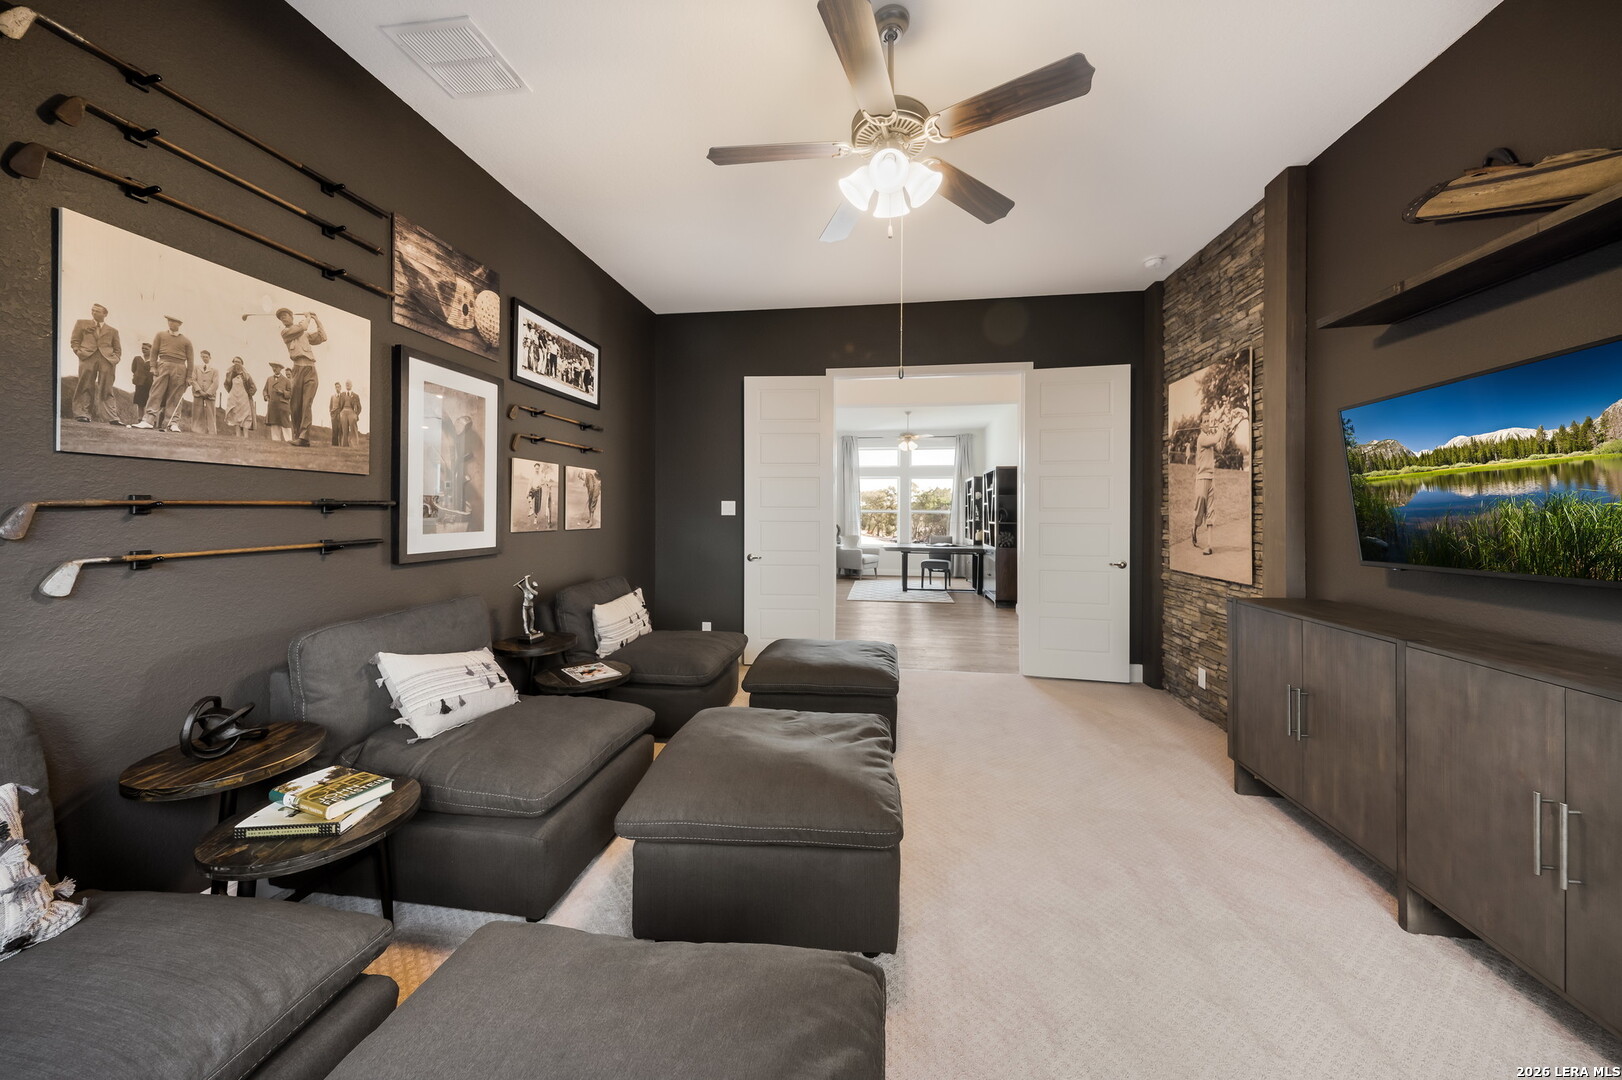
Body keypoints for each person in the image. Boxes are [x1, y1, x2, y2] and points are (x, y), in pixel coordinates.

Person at [1192, 406, 1248, 556]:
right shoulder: (1202, 438)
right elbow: (1215, 439)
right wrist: (1221, 427)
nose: (1208, 423)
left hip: (1211, 478)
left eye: (1209, 421)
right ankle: (1195, 528)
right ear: (1201, 425)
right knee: (1200, 508)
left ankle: (1209, 545)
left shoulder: (1209, 437)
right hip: (1201, 478)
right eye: (1205, 421)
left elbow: (1220, 447)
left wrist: (1224, 431)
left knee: (1211, 511)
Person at [131, 315, 193, 432]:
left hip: (180, 367)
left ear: (180, 324)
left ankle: (173, 423)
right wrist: (153, 367)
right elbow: (154, 352)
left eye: (174, 321)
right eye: (169, 321)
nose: (171, 323)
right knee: (155, 393)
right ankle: (148, 420)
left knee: (175, 396)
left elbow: (191, 360)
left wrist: (189, 376)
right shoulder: (160, 335)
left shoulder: (186, 341)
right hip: (163, 364)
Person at [275, 307, 325, 446]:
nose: (283, 318)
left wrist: (316, 319)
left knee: (306, 404)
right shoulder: (286, 332)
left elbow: (322, 337)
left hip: (310, 369)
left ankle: (304, 438)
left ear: (291, 316)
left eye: (285, 315)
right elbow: (302, 326)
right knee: (295, 405)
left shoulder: (305, 335)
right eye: (281, 317)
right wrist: (308, 317)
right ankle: (298, 436)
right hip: (297, 370)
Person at [69, 302, 121, 424]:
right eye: (92, 310)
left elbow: (117, 348)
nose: (93, 313)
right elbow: (74, 340)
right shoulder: (81, 323)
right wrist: (78, 352)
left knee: (107, 388)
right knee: (85, 385)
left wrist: (116, 358)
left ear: (105, 314)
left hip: (107, 360)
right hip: (87, 357)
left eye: (97, 311)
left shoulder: (113, 330)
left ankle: (111, 417)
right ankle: (82, 414)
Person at [223, 356, 256, 437]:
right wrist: (231, 392)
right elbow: (226, 384)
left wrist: (249, 394)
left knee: (245, 416)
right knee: (235, 416)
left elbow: (253, 387)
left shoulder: (246, 375)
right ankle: (238, 436)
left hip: (244, 399)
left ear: (242, 364)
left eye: (238, 362)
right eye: (235, 362)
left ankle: (245, 436)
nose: (236, 363)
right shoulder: (229, 374)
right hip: (234, 398)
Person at [190, 351, 220, 434]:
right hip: (198, 393)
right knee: (197, 412)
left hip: (210, 394)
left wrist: (208, 392)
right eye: (202, 357)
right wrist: (199, 390)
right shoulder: (196, 368)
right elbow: (193, 379)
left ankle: (212, 432)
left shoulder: (215, 369)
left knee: (211, 412)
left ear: (210, 358)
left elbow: (216, 383)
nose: (204, 358)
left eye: (206, 357)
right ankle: (196, 430)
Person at [263, 361, 293, 442]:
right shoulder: (269, 379)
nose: (274, 369)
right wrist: (266, 396)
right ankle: (276, 442)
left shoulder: (286, 380)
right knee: (274, 423)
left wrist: (283, 392)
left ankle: (289, 441)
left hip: (283, 406)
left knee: (285, 424)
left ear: (280, 368)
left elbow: (290, 394)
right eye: (273, 367)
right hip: (272, 405)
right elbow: (265, 390)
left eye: (276, 367)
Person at [130, 342, 153, 419]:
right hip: (139, 383)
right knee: (140, 402)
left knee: (149, 401)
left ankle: (147, 419)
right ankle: (140, 418)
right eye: (143, 348)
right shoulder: (137, 358)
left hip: (150, 384)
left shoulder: (154, 361)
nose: (144, 350)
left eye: (146, 349)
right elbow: (133, 369)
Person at [341, 379, 362, 448]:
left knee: (353, 429)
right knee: (344, 429)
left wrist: (356, 415)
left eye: (349, 383)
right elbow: (339, 405)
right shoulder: (342, 394)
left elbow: (359, 407)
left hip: (352, 412)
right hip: (343, 412)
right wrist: (340, 413)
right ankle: (344, 445)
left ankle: (354, 445)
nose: (347, 385)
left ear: (352, 385)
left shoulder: (355, 395)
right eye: (346, 383)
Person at [328, 381, 344, 446]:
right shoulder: (332, 396)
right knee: (334, 430)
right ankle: (334, 445)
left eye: (338, 387)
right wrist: (331, 413)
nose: (337, 388)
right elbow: (330, 406)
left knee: (341, 429)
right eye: (336, 387)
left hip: (340, 414)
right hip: (334, 414)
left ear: (340, 388)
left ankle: (341, 444)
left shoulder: (343, 396)